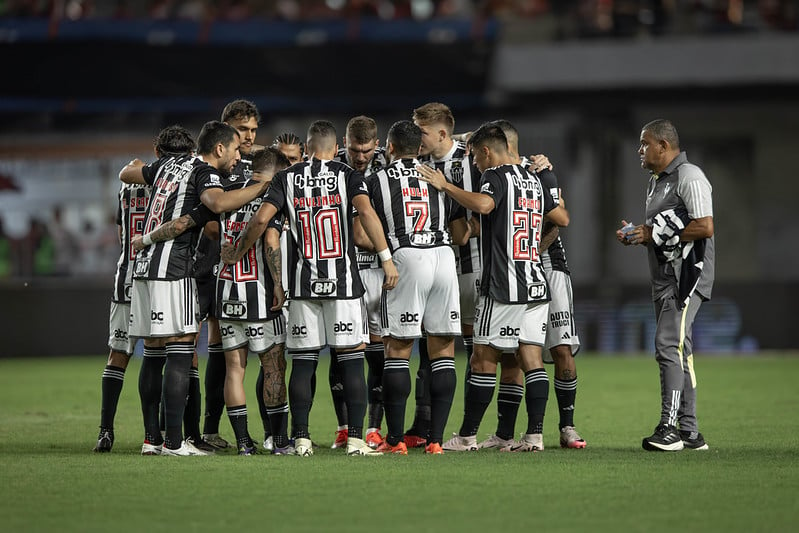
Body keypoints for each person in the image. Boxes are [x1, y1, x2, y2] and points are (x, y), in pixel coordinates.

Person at [222, 120, 399, 456]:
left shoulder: (286, 177)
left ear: (307, 147)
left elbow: (261, 221)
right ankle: (357, 440)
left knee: (303, 362)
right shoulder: (347, 175)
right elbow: (367, 214)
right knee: (350, 361)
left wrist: (239, 250)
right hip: (343, 284)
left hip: (303, 286)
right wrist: (386, 259)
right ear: (336, 148)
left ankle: (301, 439)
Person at [416, 122, 568, 453]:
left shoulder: (495, 176)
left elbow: (484, 206)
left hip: (503, 285)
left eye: (475, 158)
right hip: (534, 282)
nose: (474, 165)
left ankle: (467, 436)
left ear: (487, 152)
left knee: (482, 359)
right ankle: (533, 436)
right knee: (530, 359)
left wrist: (445, 186)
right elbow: (560, 217)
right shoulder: (534, 178)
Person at [121, 121, 269, 456]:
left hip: (145, 266)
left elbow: (128, 173)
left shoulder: (168, 165)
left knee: (154, 350)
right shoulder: (204, 172)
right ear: (219, 149)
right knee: (181, 348)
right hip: (173, 269)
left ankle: (152, 440)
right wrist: (261, 188)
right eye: (233, 150)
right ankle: (174, 442)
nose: (236, 157)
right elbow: (216, 203)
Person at [476, 120, 586, 450]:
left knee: (561, 348)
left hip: (548, 266)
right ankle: (509, 433)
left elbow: (561, 218)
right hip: (519, 270)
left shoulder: (539, 172)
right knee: (518, 354)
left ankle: (567, 425)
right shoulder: (504, 174)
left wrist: (526, 251)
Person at [367, 120, 470, 455]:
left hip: (406, 257)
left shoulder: (378, 179)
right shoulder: (439, 177)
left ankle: (395, 441)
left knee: (397, 350)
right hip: (443, 258)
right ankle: (436, 441)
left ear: (391, 147)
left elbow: (360, 232)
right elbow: (460, 235)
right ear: (420, 147)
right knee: (443, 352)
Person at [616, 119, 714, 452]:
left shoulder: (690, 176)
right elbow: (662, 230)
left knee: (667, 345)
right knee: (680, 352)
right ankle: (690, 432)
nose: (639, 150)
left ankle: (669, 429)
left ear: (663, 145)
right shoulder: (656, 182)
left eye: (644, 143)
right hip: (663, 276)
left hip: (686, 275)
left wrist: (653, 232)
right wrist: (639, 234)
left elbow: (705, 227)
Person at [404, 102, 481, 448]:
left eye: (421, 130)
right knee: (427, 347)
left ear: (442, 134)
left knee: (477, 351)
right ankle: (424, 425)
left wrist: (538, 163)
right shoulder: (413, 162)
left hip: (473, 267)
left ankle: (468, 430)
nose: (415, 136)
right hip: (434, 269)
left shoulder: (471, 157)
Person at [197, 99, 264, 451]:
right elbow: (210, 218)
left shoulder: (254, 161)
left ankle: (229, 430)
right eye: (242, 130)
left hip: (250, 270)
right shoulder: (215, 165)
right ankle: (205, 428)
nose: (250, 137)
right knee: (216, 346)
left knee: (242, 352)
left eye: (253, 130)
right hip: (211, 263)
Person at [92, 140, 158, 452]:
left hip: (126, 279)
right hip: (159, 282)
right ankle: (154, 435)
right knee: (164, 355)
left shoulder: (126, 189)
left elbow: (122, 234)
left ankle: (106, 430)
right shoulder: (173, 185)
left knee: (118, 355)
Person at [329, 115, 389, 450]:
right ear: (344, 144)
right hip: (345, 274)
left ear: (377, 145)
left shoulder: (388, 164)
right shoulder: (330, 164)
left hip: (378, 273)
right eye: (354, 149)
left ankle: (373, 429)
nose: (360, 156)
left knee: (378, 354)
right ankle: (342, 427)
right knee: (342, 353)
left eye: (366, 150)